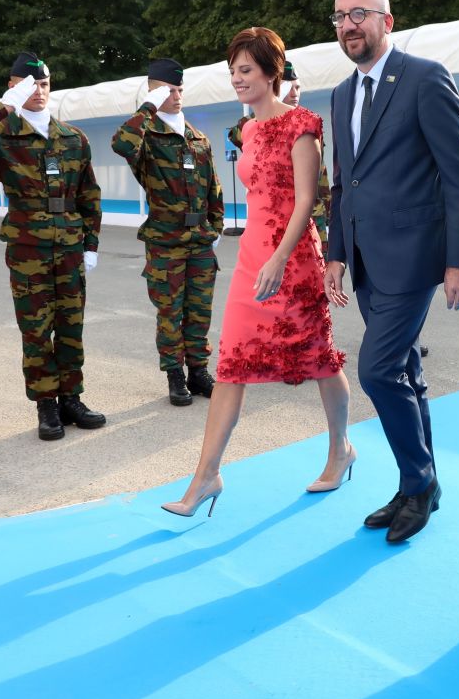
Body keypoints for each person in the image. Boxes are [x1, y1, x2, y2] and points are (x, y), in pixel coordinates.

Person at [162, 28, 352, 517]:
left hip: (291, 259)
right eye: (232, 71)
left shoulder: (303, 125)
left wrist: (279, 258)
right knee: (231, 363)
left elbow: (307, 201)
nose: (237, 79)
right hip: (252, 257)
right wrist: (259, 255)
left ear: (272, 72)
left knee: (320, 361)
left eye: (246, 70)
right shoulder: (246, 129)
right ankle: (206, 476)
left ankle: (341, 449)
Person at [324, 0, 459, 544]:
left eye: (360, 14)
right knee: (406, 373)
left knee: (378, 370)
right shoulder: (341, 95)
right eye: (340, 17)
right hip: (366, 260)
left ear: (388, 21)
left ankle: (418, 481)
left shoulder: (424, 77)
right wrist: (336, 253)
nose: (349, 25)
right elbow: (344, 184)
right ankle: (421, 483)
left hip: (415, 257)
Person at [0, 52, 107, 441]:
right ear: (14, 86)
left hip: (68, 246)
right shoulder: (1, 135)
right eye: (30, 85)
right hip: (28, 248)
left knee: (71, 327)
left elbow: (90, 194)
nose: (39, 91)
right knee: (36, 329)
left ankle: (72, 399)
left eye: (45, 84)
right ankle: (46, 405)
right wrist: (4, 106)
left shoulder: (72, 138)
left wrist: (92, 243)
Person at [111, 57, 222, 407]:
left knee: (199, 311)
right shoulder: (146, 136)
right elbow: (121, 144)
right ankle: (175, 375)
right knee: (170, 313)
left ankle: (199, 371)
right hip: (165, 243)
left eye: (178, 89)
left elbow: (213, 189)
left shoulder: (198, 138)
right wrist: (149, 106)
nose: (175, 96)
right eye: (167, 90)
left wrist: (214, 228)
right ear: (153, 92)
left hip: (199, 241)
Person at [228, 60, 332, 249]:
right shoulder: (252, 124)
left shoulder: (306, 125)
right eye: (288, 87)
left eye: (297, 88)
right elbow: (237, 135)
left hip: (313, 217)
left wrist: (330, 215)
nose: (295, 93)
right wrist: (270, 104)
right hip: (273, 222)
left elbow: (321, 177)